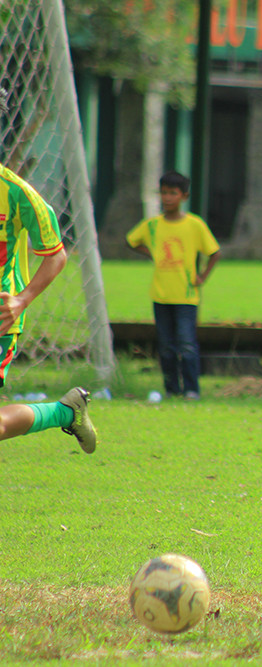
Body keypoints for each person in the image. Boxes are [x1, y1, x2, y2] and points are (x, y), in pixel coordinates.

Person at [0, 88, 98, 453]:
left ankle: (61, 414)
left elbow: (55, 254)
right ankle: (63, 413)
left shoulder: (15, 192)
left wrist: (22, 300)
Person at [126, 171, 220, 400]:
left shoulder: (194, 225)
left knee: (186, 345)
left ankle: (191, 390)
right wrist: (152, 254)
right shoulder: (153, 225)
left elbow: (214, 252)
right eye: (164, 193)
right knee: (166, 347)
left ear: (184, 196)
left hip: (186, 296)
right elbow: (131, 241)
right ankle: (171, 389)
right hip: (160, 295)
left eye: (172, 193)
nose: (167, 198)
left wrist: (202, 276)